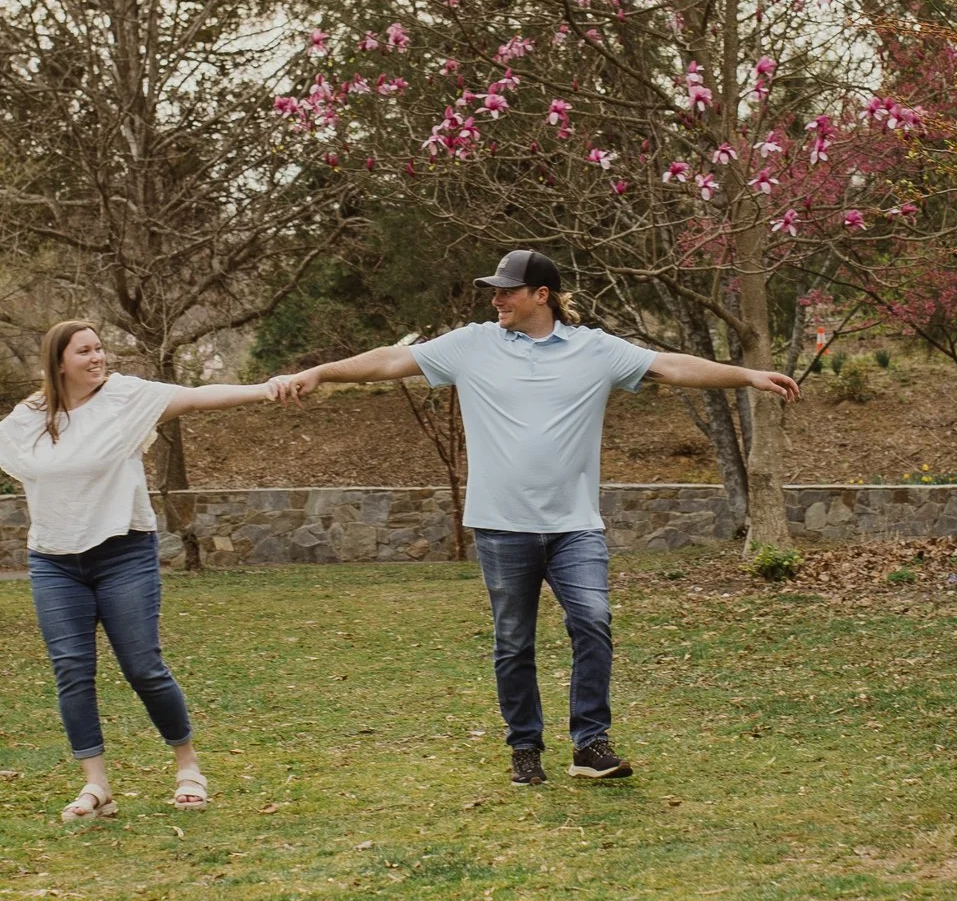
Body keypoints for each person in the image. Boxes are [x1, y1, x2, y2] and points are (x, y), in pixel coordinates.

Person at [269, 248, 799, 786]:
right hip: (501, 526)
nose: (496, 298)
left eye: (507, 289)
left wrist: (748, 376)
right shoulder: (472, 345)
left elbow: (670, 365)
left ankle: (590, 744)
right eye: (495, 290)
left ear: (540, 295)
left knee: (592, 622)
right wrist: (321, 372)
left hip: (575, 525)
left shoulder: (595, 349)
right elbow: (389, 360)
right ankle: (525, 747)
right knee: (513, 641)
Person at [0, 320, 279, 822]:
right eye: (84, 351)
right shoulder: (31, 416)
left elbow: (197, 396)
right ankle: (96, 787)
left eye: (99, 348)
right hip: (55, 562)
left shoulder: (127, 398)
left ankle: (188, 768)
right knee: (72, 672)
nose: (97, 357)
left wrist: (264, 390)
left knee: (143, 667)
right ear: (59, 361)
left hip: (124, 554)